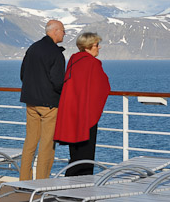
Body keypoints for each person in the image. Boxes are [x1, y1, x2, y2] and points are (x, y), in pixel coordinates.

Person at [54, 32, 111, 176]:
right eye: (97, 45)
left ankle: (70, 185)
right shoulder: (93, 63)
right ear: (89, 46)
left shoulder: (74, 60)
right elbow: (103, 87)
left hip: (72, 113)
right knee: (86, 154)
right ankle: (84, 189)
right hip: (86, 115)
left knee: (75, 154)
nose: (99, 47)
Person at [19, 20, 66, 180]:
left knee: (30, 143)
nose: (64, 34)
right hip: (49, 105)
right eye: (63, 31)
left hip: (31, 102)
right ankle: (42, 182)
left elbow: (23, 75)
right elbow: (58, 81)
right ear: (55, 31)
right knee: (47, 145)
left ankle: (24, 180)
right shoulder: (56, 53)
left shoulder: (33, 48)